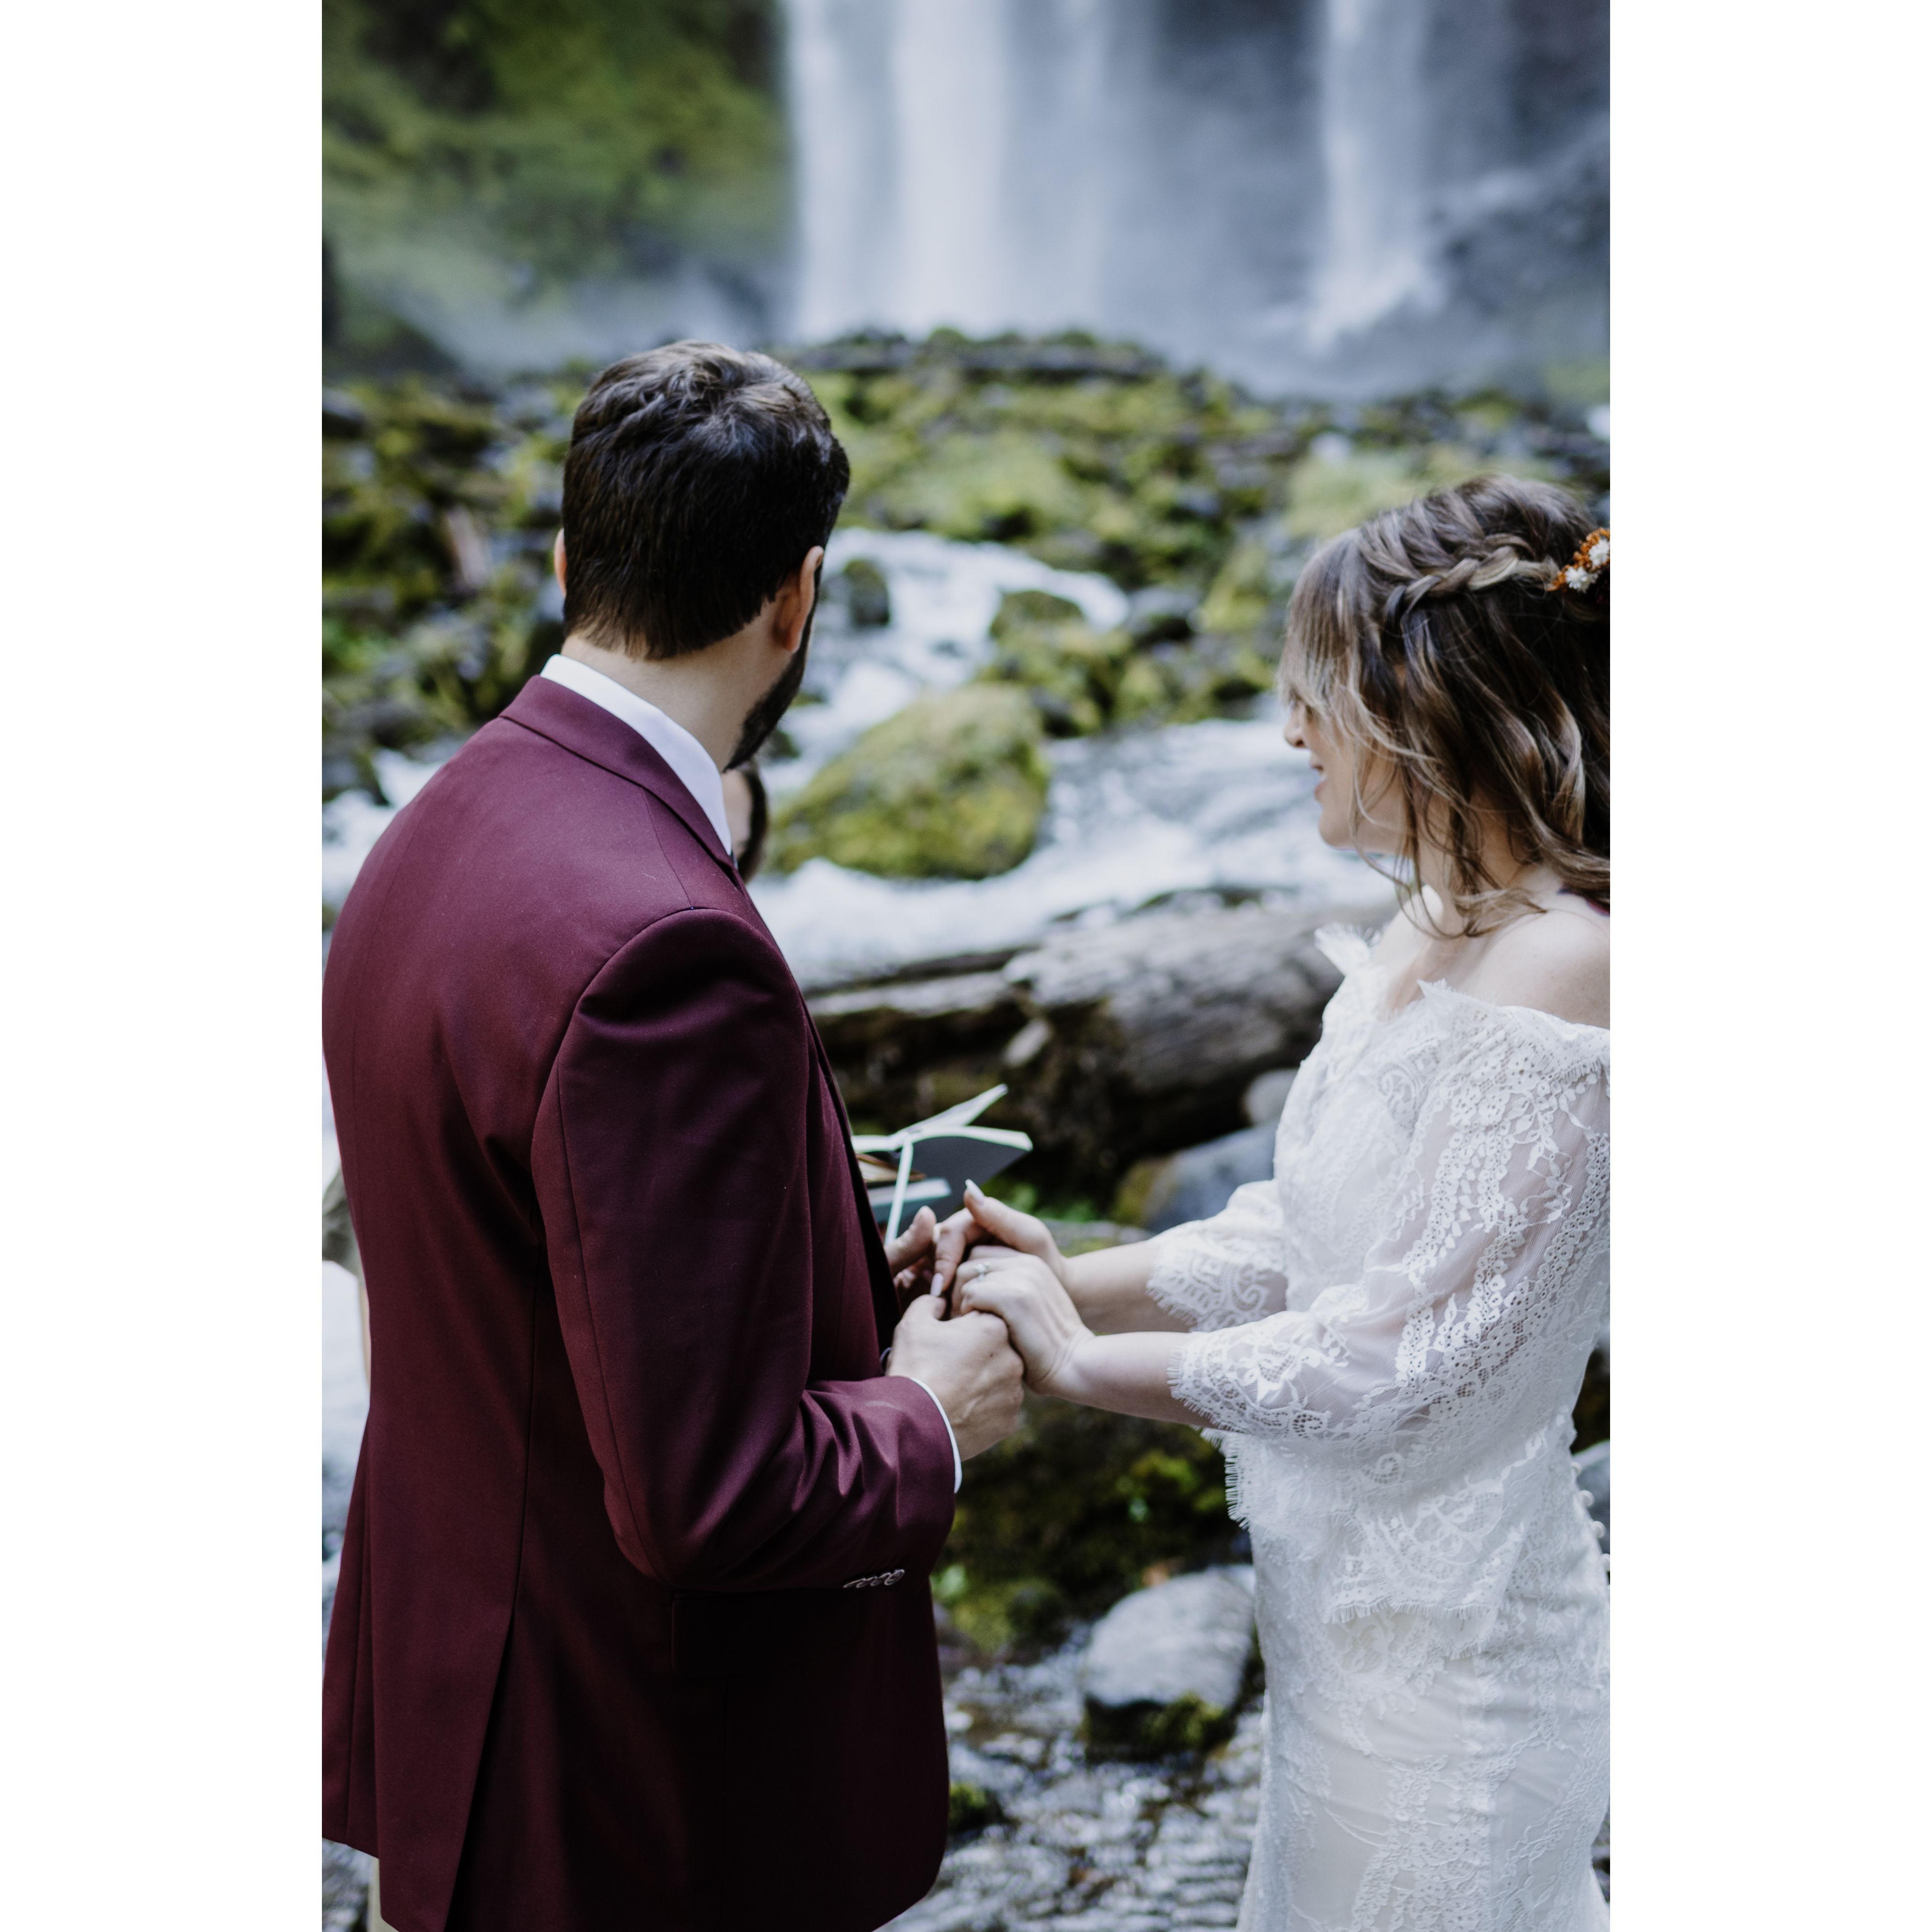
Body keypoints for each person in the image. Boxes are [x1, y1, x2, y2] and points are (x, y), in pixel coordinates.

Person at [322, 342, 1025, 1932]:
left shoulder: (430, 829)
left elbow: (528, 1271)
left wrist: (838, 1280)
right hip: (630, 1797)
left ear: (568, 562)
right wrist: (932, 1414)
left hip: (471, 1708)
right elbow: (707, 1494)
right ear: (798, 598)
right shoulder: (666, 945)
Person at [937, 477, 1611, 1930]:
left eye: (1317, 692)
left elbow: (1399, 1360)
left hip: (1456, 1686)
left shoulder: (1567, 964)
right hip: (1338, 1650)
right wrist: (1070, 1274)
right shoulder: (1436, 920)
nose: (1290, 733)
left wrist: (1077, 1363)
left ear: (1427, 702)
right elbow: (1304, 1238)